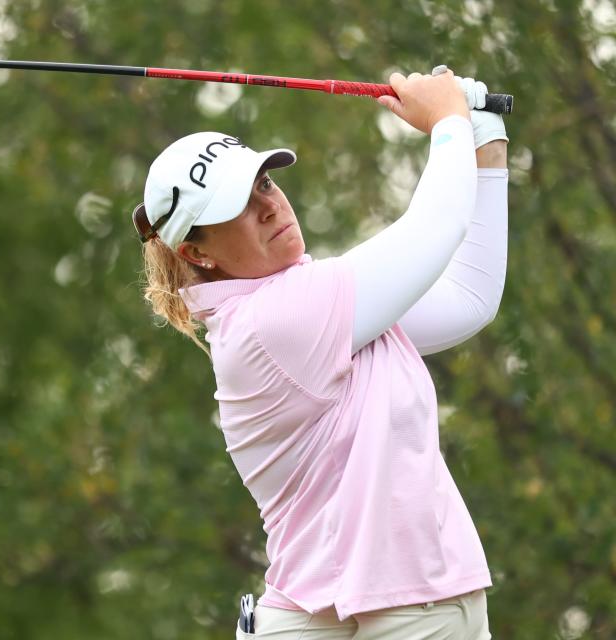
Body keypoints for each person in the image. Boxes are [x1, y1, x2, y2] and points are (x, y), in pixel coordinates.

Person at [132, 67, 509, 639]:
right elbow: (437, 226)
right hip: (407, 604)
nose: (268, 206)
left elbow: (468, 298)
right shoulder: (276, 319)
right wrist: (448, 120)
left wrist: (483, 135)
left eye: (263, 183)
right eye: (237, 204)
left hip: (323, 608)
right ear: (197, 252)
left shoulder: (332, 310)